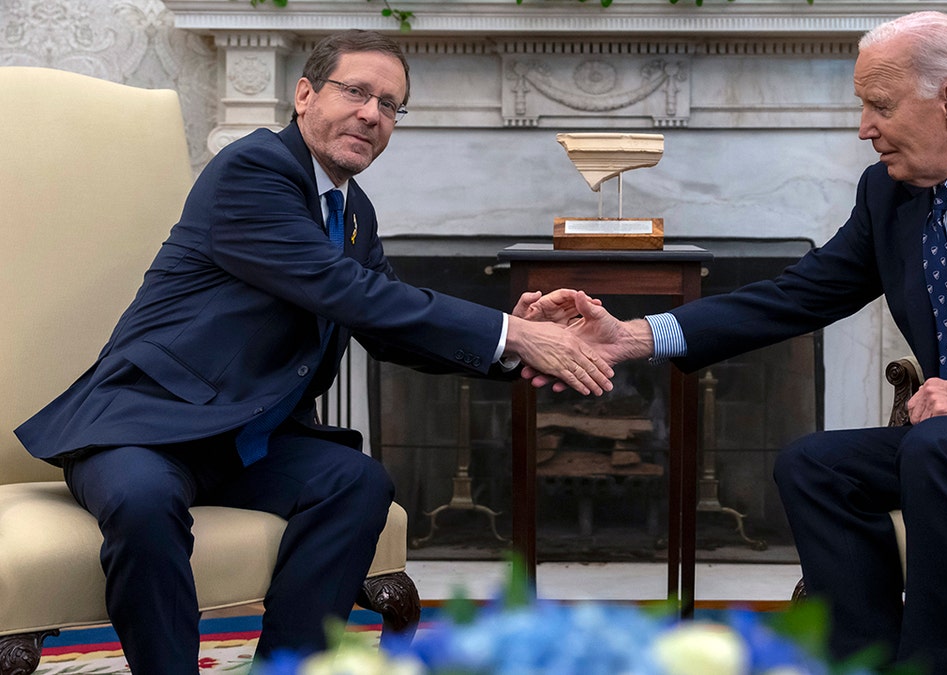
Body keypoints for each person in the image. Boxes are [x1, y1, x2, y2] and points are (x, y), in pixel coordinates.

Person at [529, 11, 947, 674]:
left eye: (879, 106)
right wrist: (634, 335)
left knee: (942, 448)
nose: (864, 128)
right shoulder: (891, 194)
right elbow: (796, 295)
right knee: (814, 465)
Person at [14, 30, 615, 673]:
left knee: (357, 483)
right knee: (140, 503)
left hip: (241, 439)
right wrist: (513, 331)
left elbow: (384, 323)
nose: (371, 114)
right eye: (356, 91)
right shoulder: (252, 170)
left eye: (390, 105)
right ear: (304, 95)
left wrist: (510, 347)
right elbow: (339, 288)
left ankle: (288, 666)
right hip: (143, 424)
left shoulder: (354, 212)